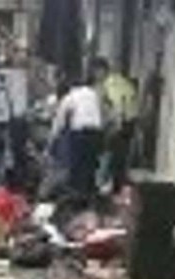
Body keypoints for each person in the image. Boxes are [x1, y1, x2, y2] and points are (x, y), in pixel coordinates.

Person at [50, 71, 104, 200]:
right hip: (97, 133)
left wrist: (53, 138)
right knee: (90, 164)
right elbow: (102, 112)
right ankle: (90, 193)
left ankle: (78, 194)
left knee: (77, 164)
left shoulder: (70, 97)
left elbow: (59, 120)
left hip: (80, 134)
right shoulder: (93, 94)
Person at [95, 58, 139, 194]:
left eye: (96, 71)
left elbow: (118, 104)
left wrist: (116, 125)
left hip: (122, 123)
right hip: (130, 121)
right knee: (121, 158)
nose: (96, 75)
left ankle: (114, 188)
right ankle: (118, 187)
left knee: (114, 157)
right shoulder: (121, 80)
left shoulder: (111, 83)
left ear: (102, 70)